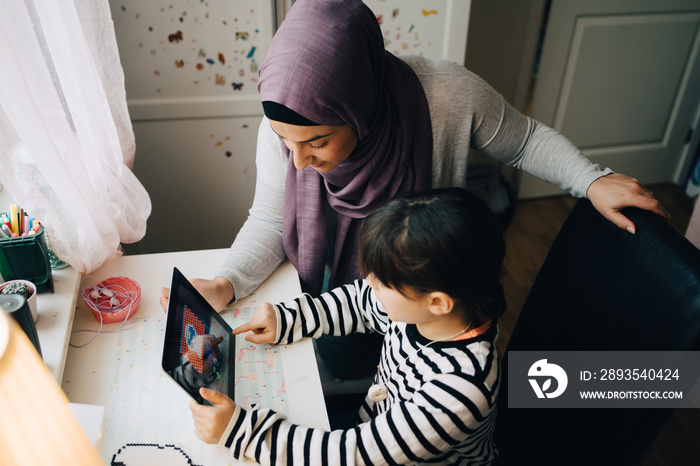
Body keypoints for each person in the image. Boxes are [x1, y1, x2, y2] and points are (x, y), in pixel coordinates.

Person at [160, 0, 668, 378]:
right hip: (341, 297)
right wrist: (227, 282)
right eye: (284, 142)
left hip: (416, 306)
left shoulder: (446, 96)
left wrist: (590, 179)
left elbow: (525, 140)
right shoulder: (287, 122)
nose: (299, 162)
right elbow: (272, 220)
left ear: (356, 107)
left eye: (317, 142)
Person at [189, 188, 506, 464]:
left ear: (437, 302)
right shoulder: (424, 312)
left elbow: (354, 454)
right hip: (372, 428)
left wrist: (240, 431)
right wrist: (287, 319)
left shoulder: (461, 388)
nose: (369, 282)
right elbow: (359, 301)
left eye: (382, 281)